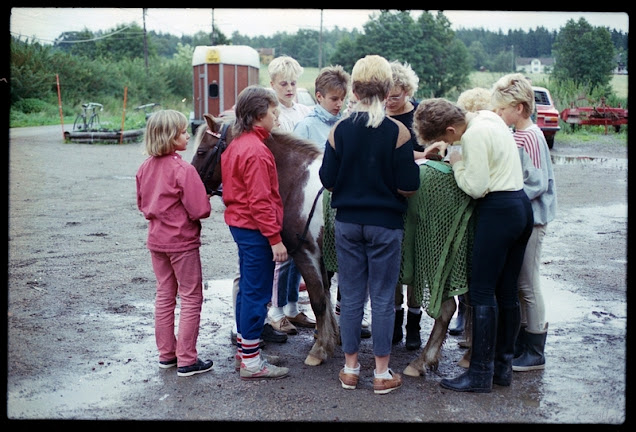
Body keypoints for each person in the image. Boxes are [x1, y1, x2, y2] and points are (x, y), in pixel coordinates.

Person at [413, 98, 533, 393]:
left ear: (452, 129)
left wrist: (456, 163)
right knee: (506, 291)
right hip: (520, 206)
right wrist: (455, 149)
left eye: (446, 138)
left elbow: (476, 187)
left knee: (481, 292)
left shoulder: (474, 135)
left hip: (498, 211)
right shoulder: (486, 118)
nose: (447, 143)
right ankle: (501, 367)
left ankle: (479, 373)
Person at [320, 55, 420, 394]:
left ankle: (349, 369)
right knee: (381, 297)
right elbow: (409, 185)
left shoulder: (339, 129)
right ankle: (380, 374)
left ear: (354, 88)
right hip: (385, 225)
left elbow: (328, 180)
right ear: (387, 88)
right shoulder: (399, 131)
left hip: (348, 223)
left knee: (350, 297)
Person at [294, 65, 371, 339]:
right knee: (322, 266)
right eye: (334, 99)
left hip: (343, 202)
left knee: (347, 263)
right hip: (314, 208)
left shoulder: (346, 124)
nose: (339, 104)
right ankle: (323, 322)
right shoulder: (306, 126)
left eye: (342, 99)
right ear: (319, 97)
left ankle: (345, 317)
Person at [136, 109, 214, 377]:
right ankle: (187, 359)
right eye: (182, 132)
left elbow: (142, 204)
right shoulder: (183, 169)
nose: (186, 136)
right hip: (182, 242)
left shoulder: (144, 167)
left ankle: (166, 354)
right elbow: (199, 209)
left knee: (165, 295)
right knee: (192, 297)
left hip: (157, 241)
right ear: (170, 137)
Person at [222, 85, 290, 380]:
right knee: (257, 291)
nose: (277, 116)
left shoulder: (238, 143)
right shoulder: (257, 152)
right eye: (274, 111)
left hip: (241, 224)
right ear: (260, 114)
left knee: (249, 286)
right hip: (254, 229)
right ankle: (251, 363)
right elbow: (260, 200)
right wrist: (274, 238)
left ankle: (246, 352)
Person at [491, 73, 556, 372]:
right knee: (518, 284)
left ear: (518, 107)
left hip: (533, 218)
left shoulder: (530, 135)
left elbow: (537, 182)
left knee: (528, 284)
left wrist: (508, 200)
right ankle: (521, 342)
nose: (500, 113)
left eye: (503, 108)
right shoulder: (517, 132)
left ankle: (535, 348)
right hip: (521, 217)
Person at [267, 55, 315, 335]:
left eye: (293, 83)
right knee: (283, 257)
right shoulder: (274, 117)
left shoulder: (304, 112)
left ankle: (293, 307)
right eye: (283, 83)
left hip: (304, 188)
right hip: (283, 189)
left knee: (301, 251)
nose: (289, 88)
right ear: (272, 84)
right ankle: (276, 311)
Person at [448, 87, 494, 348]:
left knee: (475, 266)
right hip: (464, 204)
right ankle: (463, 314)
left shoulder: (480, 135)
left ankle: (471, 323)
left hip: (480, 203)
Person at [386, 60, 424, 350]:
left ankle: (414, 323)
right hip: (388, 197)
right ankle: (395, 322)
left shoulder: (420, 114)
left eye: (395, 96)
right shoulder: (379, 115)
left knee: (415, 262)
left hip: (417, 196)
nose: (389, 101)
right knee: (393, 262)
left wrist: (408, 157)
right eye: (385, 95)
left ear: (408, 92)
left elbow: (435, 151)